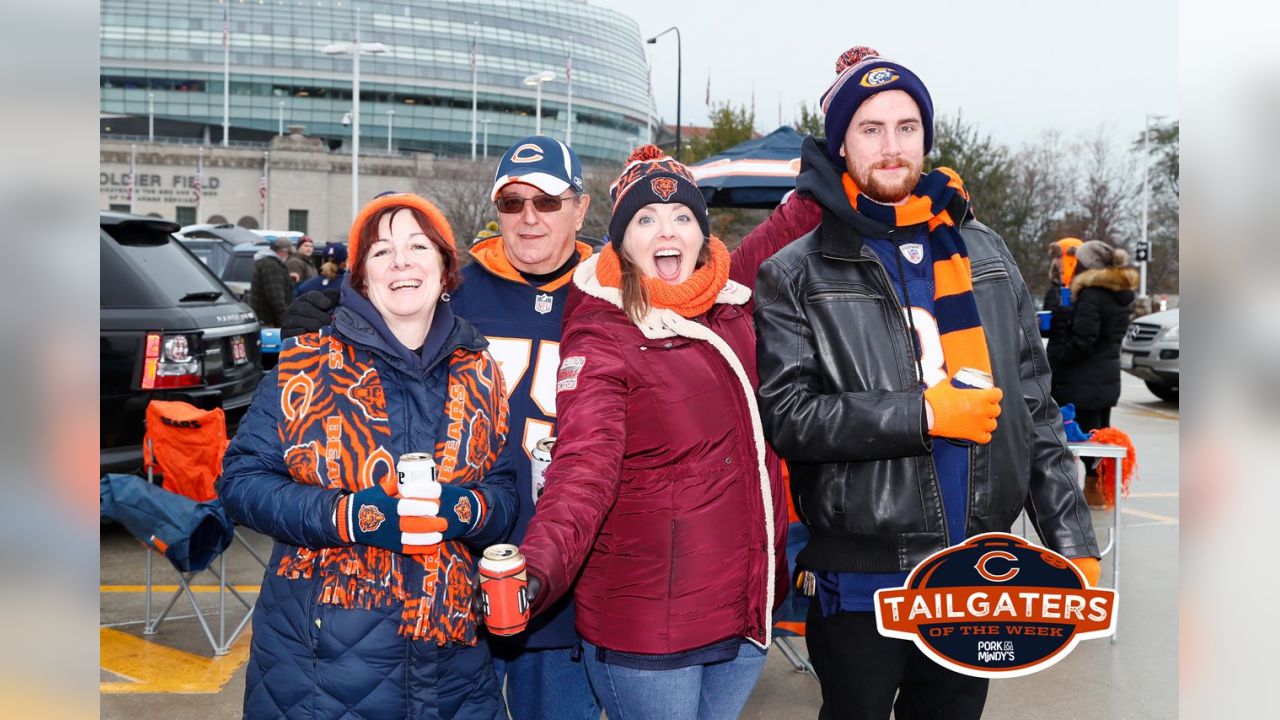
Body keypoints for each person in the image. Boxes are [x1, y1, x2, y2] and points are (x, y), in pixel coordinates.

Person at [749, 46, 1101, 720]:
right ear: (842, 144)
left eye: (906, 127)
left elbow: (1036, 408)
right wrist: (923, 414)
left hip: (976, 571)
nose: (890, 146)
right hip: (862, 579)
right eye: (870, 129)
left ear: (926, 138)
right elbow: (790, 418)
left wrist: (1072, 539)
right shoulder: (796, 271)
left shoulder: (987, 253)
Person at [281, 136, 604, 720]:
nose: (529, 218)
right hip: (448, 572)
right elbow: (376, 312)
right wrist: (329, 312)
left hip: (564, 575)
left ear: (580, 209)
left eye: (548, 202)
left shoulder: (612, 292)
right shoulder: (452, 287)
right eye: (512, 202)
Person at [514, 145, 792, 720]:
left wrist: (847, 119)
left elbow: (786, 228)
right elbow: (582, 469)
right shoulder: (602, 336)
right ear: (622, 242)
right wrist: (537, 566)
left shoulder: (728, 303)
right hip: (650, 631)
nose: (667, 229)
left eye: (682, 217)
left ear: (702, 235)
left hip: (744, 608)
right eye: (646, 219)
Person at [219, 193, 518, 719]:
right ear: (360, 277)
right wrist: (350, 517)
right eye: (381, 252)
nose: (401, 261)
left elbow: (505, 489)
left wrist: (464, 510)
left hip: (454, 668)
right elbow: (242, 483)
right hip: (320, 671)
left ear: (446, 268)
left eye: (418, 245)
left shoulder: (482, 369)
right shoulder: (304, 364)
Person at [1046, 240, 1139, 432]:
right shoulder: (1119, 294)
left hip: (1083, 383)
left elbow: (1084, 339)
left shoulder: (1091, 295)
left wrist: (1059, 360)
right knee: (1100, 442)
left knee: (1082, 443)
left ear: (1087, 265)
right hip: (1105, 380)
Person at [249, 236, 294, 327]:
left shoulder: (267, 262)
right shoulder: (271, 265)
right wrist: (285, 320)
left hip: (265, 318)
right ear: (282, 251)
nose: (289, 256)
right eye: (289, 253)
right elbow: (276, 296)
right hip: (268, 320)